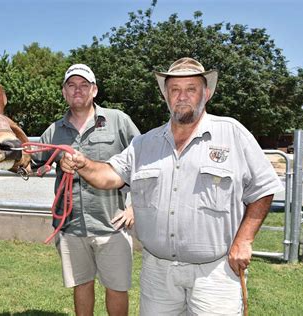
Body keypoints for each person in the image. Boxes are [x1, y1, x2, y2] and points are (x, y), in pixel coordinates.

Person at [60, 57, 284, 315]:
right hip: (158, 273)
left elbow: (264, 188)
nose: (182, 96)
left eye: (191, 89)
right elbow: (110, 175)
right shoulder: (145, 144)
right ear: (166, 96)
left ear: (206, 93)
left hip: (214, 272)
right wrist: (83, 164)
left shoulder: (232, 133)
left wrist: (244, 241)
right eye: (175, 89)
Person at [32, 63, 140, 316]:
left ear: (94, 90)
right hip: (71, 225)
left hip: (111, 223)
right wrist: (55, 160)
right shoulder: (53, 131)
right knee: (82, 284)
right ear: (64, 92)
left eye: (84, 85)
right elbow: (31, 161)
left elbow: (143, 162)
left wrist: (134, 207)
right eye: (71, 85)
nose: (77, 90)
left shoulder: (118, 121)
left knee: (116, 287)